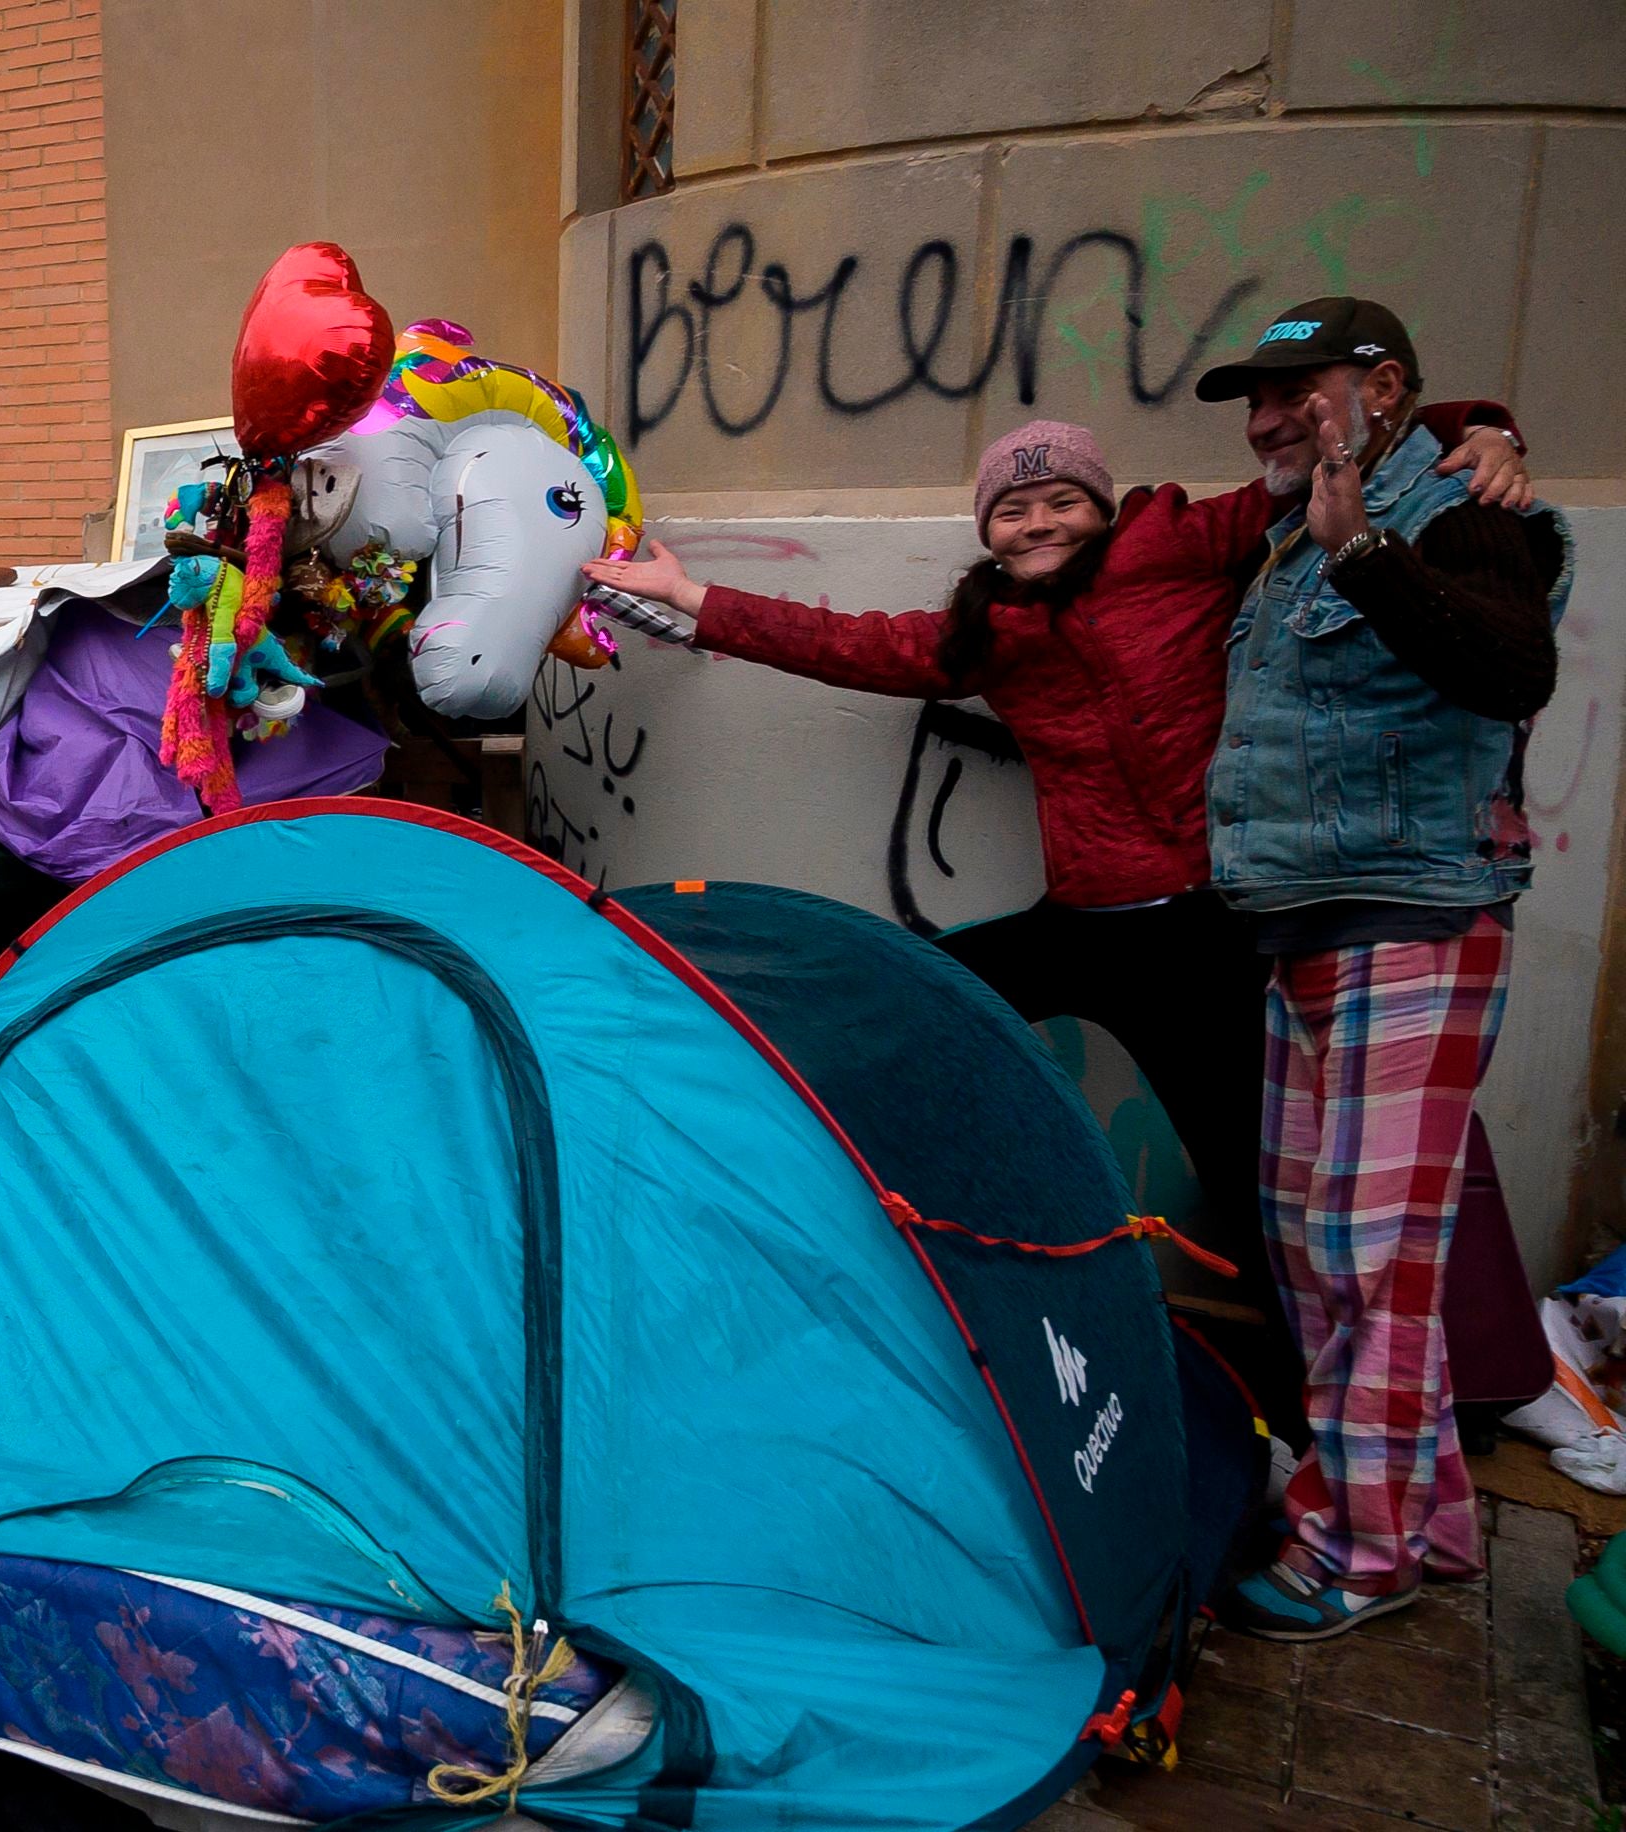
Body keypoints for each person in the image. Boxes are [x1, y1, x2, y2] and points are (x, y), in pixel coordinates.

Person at [581, 402, 1528, 1438]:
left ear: (1103, 507)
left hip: (1203, 934)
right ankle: (814, 1230)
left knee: (1254, 1181)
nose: (1038, 525)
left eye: (1063, 502)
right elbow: (855, 646)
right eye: (1012, 509)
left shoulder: (1178, 545)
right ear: (985, 526)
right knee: (910, 1001)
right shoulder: (992, 626)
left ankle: (1327, 1416)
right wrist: (690, 597)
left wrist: (1476, 428)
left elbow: (1315, 461)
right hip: (1083, 920)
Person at [1193, 299, 1570, 1642]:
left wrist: (1370, 553)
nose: (1266, 420)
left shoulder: (1461, 509)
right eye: (1256, 398)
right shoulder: (1298, 525)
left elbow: (1510, 666)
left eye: (1299, 390)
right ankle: (1436, 1518)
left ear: (1387, 386)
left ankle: (1361, 1552)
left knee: (1368, 1257)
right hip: (1303, 928)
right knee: (1316, 1252)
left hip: (1410, 922)